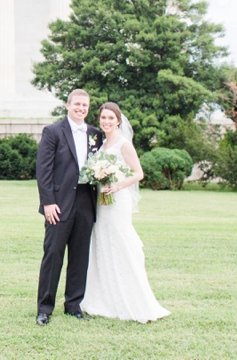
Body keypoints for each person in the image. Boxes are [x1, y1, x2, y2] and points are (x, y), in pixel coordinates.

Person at [80, 102, 170, 323]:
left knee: (121, 242)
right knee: (102, 243)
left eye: (111, 118)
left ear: (118, 121)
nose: (107, 122)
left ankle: (132, 298)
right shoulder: (99, 143)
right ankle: (103, 297)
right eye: (103, 118)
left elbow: (138, 173)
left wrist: (117, 186)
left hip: (117, 200)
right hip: (101, 201)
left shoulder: (123, 144)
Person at [35, 89, 103, 326]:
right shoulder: (53, 132)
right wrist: (48, 202)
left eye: (85, 105)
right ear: (67, 105)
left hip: (86, 205)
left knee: (79, 257)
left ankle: (73, 305)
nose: (81, 108)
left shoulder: (95, 134)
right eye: (77, 104)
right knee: (53, 255)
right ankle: (44, 308)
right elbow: (43, 170)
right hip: (58, 205)